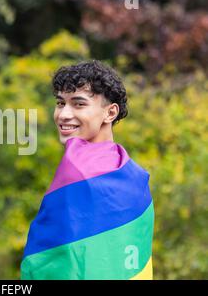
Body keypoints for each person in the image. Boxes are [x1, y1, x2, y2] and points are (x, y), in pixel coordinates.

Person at [21, 60, 154, 280]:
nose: (63, 114)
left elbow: (48, 263)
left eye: (78, 104)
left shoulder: (77, 169)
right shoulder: (135, 176)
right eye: (60, 103)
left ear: (110, 113)